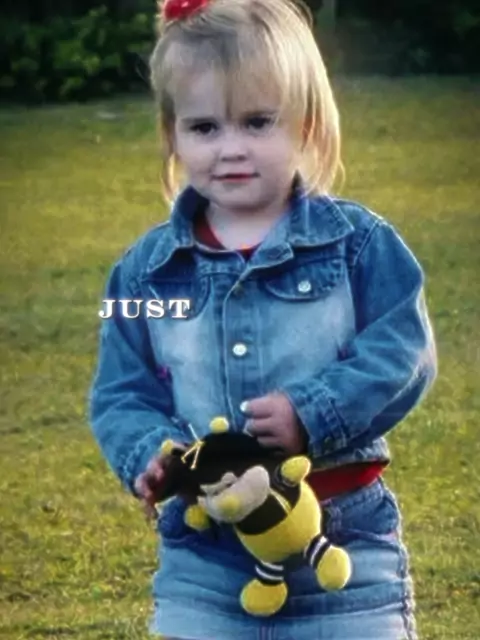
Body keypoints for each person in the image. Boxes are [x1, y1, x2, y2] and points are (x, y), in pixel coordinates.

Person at [88, 0, 437, 637]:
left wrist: (313, 411)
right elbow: (121, 389)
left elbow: (403, 350)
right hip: (204, 562)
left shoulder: (358, 244)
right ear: (172, 134)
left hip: (344, 550)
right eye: (204, 128)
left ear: (306, 123)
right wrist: (150, 453)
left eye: (257, 122)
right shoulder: (141, 273)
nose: (231, 149)